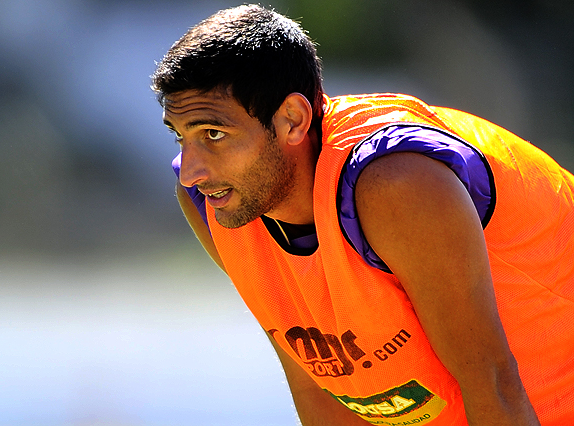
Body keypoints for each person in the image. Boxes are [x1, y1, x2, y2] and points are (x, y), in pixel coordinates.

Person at [151, 5, 574, 426]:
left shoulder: (394, 183)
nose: (191, 172)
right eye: (180, 136)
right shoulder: (213, 200)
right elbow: (317, 387)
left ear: (292, 120)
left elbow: (494, 384)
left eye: (214, 134)